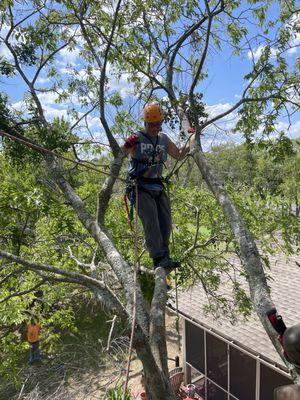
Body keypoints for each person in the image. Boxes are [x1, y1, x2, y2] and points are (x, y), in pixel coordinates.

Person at [124, 103, 194, 272]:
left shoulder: (163, 139)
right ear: (145, 123)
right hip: (139, 186)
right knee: (151, 221)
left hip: (156, 185)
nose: (155, 127)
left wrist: (193, 138)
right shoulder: (138, 137)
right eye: (151, 124)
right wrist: (127, 145)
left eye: (158, 124)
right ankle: (158, 259)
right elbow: (119, 154)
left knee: (166, 222)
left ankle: (165, 257)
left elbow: (178, 154)